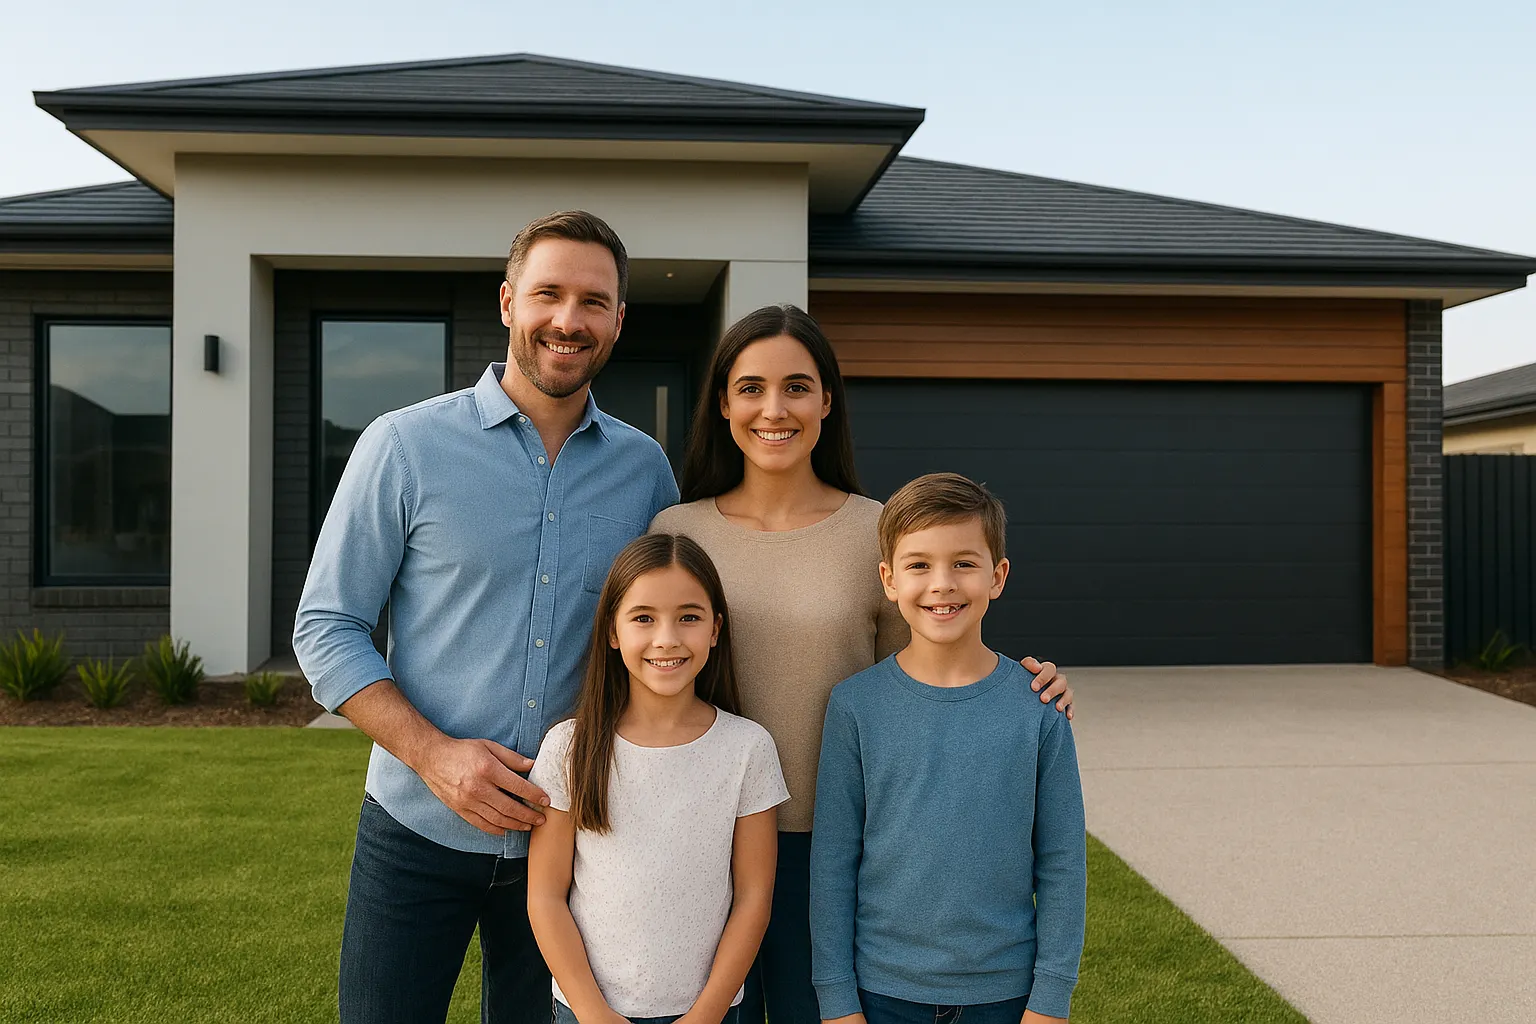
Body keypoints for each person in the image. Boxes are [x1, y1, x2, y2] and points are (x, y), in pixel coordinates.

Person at [293, 210, 679, 1024]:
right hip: (413, 830)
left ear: (617, 320)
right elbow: (326, 625)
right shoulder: (403, 447)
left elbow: (680, 631)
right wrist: (435, 757)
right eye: (547, 294)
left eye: (592, 301)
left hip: (570, 842)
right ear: (508, 302)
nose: (567, 320)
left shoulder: (646, 472)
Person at [649, 305, 1076, 1024]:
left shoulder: (872, 531)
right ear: (722, 403)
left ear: (826, 401)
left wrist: (1030, 684)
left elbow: (921, 674)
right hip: (695, 839)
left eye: (796, 386)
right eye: (751, 387)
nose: (774, 408)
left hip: (830, 849)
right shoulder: (675, 530)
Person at [809, 473, 1087, 1024]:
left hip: (1005, 993)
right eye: (919, 565)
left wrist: (1050, 1000)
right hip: (881, 991)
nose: (943, 583)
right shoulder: (855, 706)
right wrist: (837, 998)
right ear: (888, 580)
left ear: (997, 575)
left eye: (964, 563)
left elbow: (1062, 864)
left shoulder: (1038, 709)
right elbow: (834, 862)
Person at [527, 533, 788, 1024]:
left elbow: (754, 898)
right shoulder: (569, 747)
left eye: (689, 617)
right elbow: (544, 895)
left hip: (708, 1014)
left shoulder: (748, 749)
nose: (667, 638)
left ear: (715, 630)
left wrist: (707, 1013)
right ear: (611, 631)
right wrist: (591, 1011)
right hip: (589, 1013)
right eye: (643, 618)